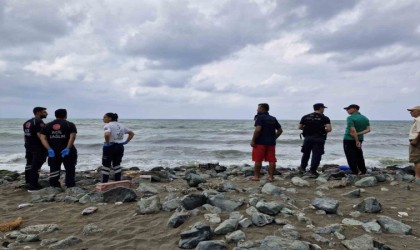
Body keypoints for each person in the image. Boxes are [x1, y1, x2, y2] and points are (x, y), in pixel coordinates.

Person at [39, 109, 78, 188]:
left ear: (55, 115)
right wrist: (68, 148)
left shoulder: (48, 125)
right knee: (70, 168)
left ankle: (54, 185)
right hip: (67, 151)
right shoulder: (70, 124)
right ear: (65, 115)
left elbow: (42, 137)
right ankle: (70, 185)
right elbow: (72, 137)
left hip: (53, 150)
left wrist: (49, 149)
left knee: (54, 168)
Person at [250, 103, 283, 181]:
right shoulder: (273, 118)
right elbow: (280, 130)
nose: (257, 110)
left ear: (262, 109)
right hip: (271, 143)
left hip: (260, 142)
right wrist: (274, 138)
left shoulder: (260, 118)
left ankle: (256, 176)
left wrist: (253, 140)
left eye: (258, 108)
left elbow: (258, 130)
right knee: (272, 160)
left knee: (258, 160)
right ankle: (271, 177)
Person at [298, 103, 332, 177]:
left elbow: (300, 127)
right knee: (316, 155)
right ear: (320, 108)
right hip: (319, 138)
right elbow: (329, 129)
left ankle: (302, 168)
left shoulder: (305, 117)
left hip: (308, 138)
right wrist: (322, 130)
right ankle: (312, 171)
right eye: (323, 108)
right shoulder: (325, 118)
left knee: (306, 153)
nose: (324, 110)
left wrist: (308, 129)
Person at [101, 113, 135, 183]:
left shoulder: (107, 125)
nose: (103, 118)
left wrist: (107, 143)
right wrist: (126, 142)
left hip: (110, 147)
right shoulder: (121, 125)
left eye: (105, 117)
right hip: (120, 146)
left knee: (106, 165)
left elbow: (107, 134)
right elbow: (131, 133)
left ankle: (104, 182)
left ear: (110, 118)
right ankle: (118, 181)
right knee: (117, 164)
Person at [23, 107, 48, 190]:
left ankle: (28, 181)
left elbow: (25, 135)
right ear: (38, 112)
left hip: (29, 146)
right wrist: (48, 147)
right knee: (36, 166)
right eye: (44, 112)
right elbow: (40, 136)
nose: (46, 113)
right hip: (37, 147)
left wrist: (27, 144)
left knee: (29, 164)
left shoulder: (27, 122)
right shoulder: (39, 122)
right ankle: (34, 185)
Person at [343, 104, 371, 175]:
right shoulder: (365, 118)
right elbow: (368, 130)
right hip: (360, 138)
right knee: (359, 155)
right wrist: (358, 135)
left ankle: (354, 171)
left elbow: (352, 130)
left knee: (350, 155)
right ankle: (363, 170)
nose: (347, 110)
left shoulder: (350, 118)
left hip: (349, 139)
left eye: (348, 109)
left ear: (355, 109)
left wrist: (356, 140)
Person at [407, 106, 420, 183]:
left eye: (412, 111)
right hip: (417, 141)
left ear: (418, 111)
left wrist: (415, 140)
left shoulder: (418, 120)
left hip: (416, 141)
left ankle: (417, 177)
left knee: (417, 160)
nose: (410, 112)